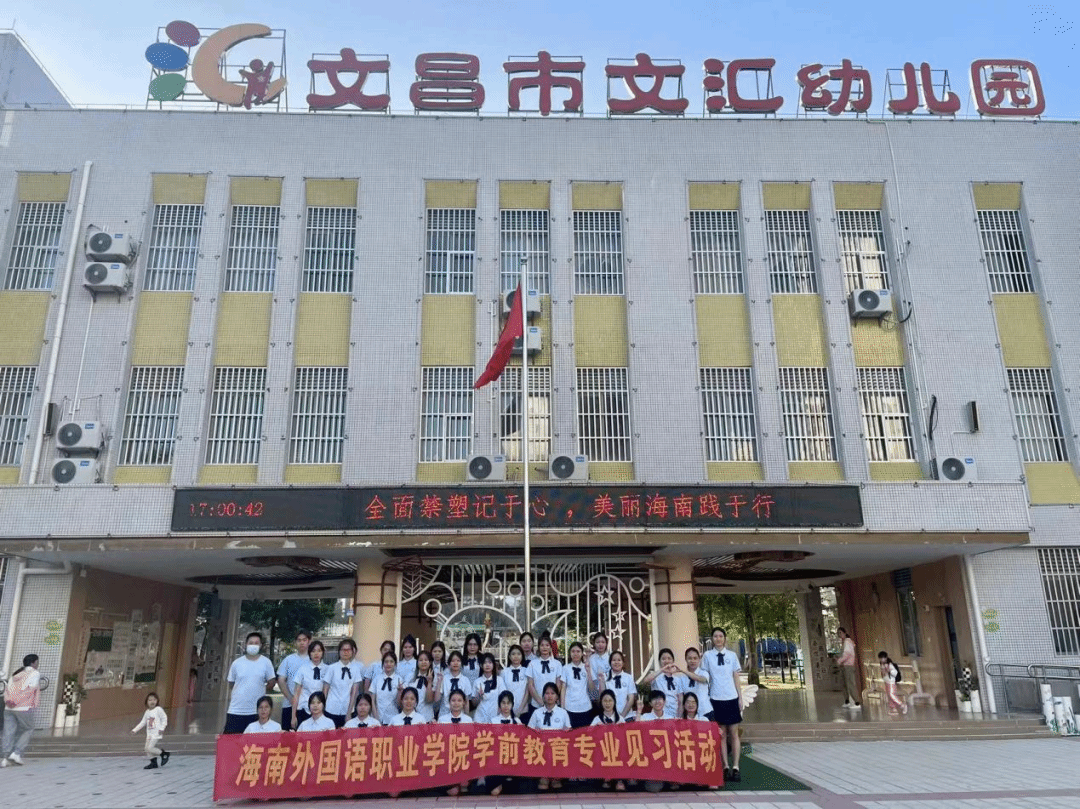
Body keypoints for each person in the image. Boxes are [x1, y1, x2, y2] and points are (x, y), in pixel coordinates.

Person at [701, 627, 744, 783]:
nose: (718, 639)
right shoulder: (707, 656)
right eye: (715, 636)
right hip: (715, 698)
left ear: (724, 638)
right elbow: (704, 677)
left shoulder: (732, 655)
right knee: (722, 734)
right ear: (712, 639)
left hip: (731, 698)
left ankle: (736, 767)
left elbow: (736, 677)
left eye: (720, 636)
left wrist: (740, 697)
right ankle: (725, 766)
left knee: (734, 733)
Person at [223, 633, 276, 734]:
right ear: (246, 644)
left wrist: (259, 690)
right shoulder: (237, 663)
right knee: (231, 740)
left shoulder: (266, 662)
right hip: (236, 710)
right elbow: (231, 683)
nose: (253, 645)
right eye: (251, 643)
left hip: (256, 711)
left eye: (256, 643)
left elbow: (271, 682)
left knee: (254, 741)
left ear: (261, 645)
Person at [1, 654, 43, 766]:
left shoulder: (15, 674)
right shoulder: (34, 673)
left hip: (8, 707)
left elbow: (7, 690)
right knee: (29, 728)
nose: (37, 664)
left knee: (8, 732)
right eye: (37, 662)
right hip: (23, 707)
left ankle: (4, 758)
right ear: (33, 663)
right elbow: (30, 691)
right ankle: (16, 753)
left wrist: (9, 701)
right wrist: (17, 701)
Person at [528, 681, 570, 790]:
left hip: (557, 747)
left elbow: (568, 733)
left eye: (552, 693)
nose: (550, 696)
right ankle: (543, 776)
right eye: (547, 693)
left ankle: (556, 776)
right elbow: (529, 732)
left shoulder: (563, 713)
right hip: (541, 748)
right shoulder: (536, 713)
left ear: (557, 697)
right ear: (543, 696)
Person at [437, 689, 473, 797]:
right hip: (447, 759)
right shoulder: (442, 720)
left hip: (463, 757)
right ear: (449, 702)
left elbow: (471, 742)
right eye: (453, 700)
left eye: (459, 700)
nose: (456, 703)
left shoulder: (468, 720)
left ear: (464, 703)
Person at [485, 691, 519, 797]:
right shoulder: (493, 721)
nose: (506, 706)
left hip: (512, 761)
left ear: (512, 705)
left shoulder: (517, 722)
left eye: (508, 703)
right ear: (499, 704)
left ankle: (508, 781)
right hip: (496, 761)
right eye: (503, 703)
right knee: (494, 792)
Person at [276, 630, 311, 731]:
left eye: (304, 640)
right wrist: (291, 698)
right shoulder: (288, 659)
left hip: (309, 706)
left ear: (309, 641)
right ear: (295, 642)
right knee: (288, 736)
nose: (302, 642)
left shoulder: (313, 660)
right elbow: (281, 680)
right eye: (299, 640)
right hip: (289, 705)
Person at [591, 688, 625, 791]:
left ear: (614, 702)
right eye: (605, 701)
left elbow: (626, 737)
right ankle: (606, 777)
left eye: (610, 700)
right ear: (601, 703)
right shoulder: (597, 719)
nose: (608, 703)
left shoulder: (620, 719)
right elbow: (589, 736)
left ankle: (619, 779)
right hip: (602, 749)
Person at [323, 638, 362, 727]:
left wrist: (349, 712)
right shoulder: (332, 668)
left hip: (347, 709)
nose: (346, 652)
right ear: (339, 651)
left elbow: (354, 692)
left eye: (348, 650)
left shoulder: (355, 669)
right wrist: (323, 708)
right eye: (343, 649)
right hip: (331, 708)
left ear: (352, 652)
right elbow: (325, 690)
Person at [637, 689, 670, 793]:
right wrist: (639, 711)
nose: (657, 701)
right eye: (654, 699)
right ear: (650, 703)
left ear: (664, 701)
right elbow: (635, 730)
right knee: (653, 788)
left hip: (666, 755)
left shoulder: (671, 718)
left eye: (660, 699)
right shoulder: (645, 717)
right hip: (650, 754)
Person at [290, 640, 327, 730]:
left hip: (321, 711)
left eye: (319, 651)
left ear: (323, 653)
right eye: (313, 651)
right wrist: (293, 716)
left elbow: (326, 692)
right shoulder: (303, 669)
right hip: (304, 709)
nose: (316, 654)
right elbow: (296, 694)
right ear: (309, 653)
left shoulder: (328, 669)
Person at [525, 635, 562, 724]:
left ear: (550, 647)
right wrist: (540, 701)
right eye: (542, 645)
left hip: (553, 705)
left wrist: (552, 699)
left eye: (547, 645)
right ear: (538, 647)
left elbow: (558, 684)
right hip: (536, 704)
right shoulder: (532, 664)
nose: (544, 647)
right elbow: (530, 685)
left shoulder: (557, 664)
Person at [131, 692, 170, 769]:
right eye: (150, 700)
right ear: (146, 702)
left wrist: (162, 728)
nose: (152, 702)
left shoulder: (158, 709)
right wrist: (134, 730)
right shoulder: (147, 712)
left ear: (157, 701)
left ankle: (163, 754)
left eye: (154, 700)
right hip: (149, 734)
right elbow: (143, 722)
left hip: (157, 733)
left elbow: (164, 718)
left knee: (150, 748)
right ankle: (153, 763)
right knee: (146, 749)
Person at [560, 641, 595, 727]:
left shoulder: (587, 667)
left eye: (578, 651)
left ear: (582, 653)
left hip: (585, 707)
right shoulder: (565, 668)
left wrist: (588, 672)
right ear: (570, 653)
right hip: (569, 707)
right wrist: (562, 708)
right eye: (573, 651)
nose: (575, 654)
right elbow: (563, 689)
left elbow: (592, 689)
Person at [645, 647, 683, 718]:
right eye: (663, 659)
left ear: (673, 661)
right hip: (659, 714)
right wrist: (662, 669)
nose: (666, 661)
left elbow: (680, 701)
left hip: (674, 715)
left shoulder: (677, 679)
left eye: (669, 658)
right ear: (659, 661)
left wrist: (679, 717)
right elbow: (646, 680)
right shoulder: (656, 676)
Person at [679, 646, 712, 719]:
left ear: (699, 659)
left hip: (705, 711)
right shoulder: (682, 677)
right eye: (689, 658)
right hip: (690, 714)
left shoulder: (704, 673)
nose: (692, 661)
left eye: (695, 658)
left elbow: (701, 679)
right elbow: (681, 699)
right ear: (685, 659)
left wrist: (683, 671)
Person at [372, 652, 403, 725]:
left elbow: (400, 704)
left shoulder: (399, 679)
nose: (388, 664)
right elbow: (372, 700)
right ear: (383, 664)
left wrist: (400, 692)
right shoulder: (377, 679)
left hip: (394, 719)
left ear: (395, 664)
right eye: (386, 662)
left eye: (391, 661)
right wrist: (376, 718)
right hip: (379, 718)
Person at [499, 644, 530, 719]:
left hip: (523, 710)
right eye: (513, 654)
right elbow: (502, 692)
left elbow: (527, 692)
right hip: (507, 711)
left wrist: (521, 709)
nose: (516, 656)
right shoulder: (504, 672)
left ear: (522, 656)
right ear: (509, 656)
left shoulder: (526, 671)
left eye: (518, 654)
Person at [606, 650, 637, 720]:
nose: (616, 662)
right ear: (610, 663)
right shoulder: (605, 677)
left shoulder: (628, 677)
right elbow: (603, 698)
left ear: (623, 663)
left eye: (619, 660)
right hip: (610, 717)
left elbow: (631, 699)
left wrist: (621, 717)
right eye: (614, 660)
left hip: (627, 716)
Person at [409, 650, 438, 723]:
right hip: (413, 718)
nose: (423, 662)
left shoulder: (435, 678)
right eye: (421, 660)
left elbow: (429, 700)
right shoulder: (411, 677)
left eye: (426, 660)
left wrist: (429, 682)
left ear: (430, 662)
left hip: (427, 718)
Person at [471, 652, 500, 723]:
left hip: (495, 716)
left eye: (490, 662)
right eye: (485, 663)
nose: (487, 665)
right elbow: (474, 703)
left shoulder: (499, 680)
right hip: (480, 717)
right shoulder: (477, 681)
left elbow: (502, 699)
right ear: (481, 665)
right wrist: (479, 696)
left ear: (493, 665)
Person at [837, 628, 861, 709]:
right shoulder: (844, 642)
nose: (839, 634)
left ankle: (857, 702)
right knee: (845, 684)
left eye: (840, 632)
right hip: (844, 666)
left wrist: (839, 661)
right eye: (838, 633)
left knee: (850, 684)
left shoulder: (847, 641)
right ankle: (847, 701)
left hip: (848, 666)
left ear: (844, 633)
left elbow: (847, 654)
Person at [878, 651, 908, 715]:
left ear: (886, 658)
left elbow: (894, 672)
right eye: (881, 658)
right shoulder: (882, 664)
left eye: (883, 658)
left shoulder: (889, 664)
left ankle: (902, 704)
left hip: (891, 681)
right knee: (889, 695)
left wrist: (888, 671)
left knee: (892, 694)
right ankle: (893, 708)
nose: (882, 659)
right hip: (886, 681)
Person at [588, 631, 610, 703]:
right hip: (595, 691)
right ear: (594, 644)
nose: (600, 644)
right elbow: (592, 676)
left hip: (609, 690)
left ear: (606, 644)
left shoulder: (610, 657)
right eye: (598, 642)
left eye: (603, 642)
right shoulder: (591, 659)